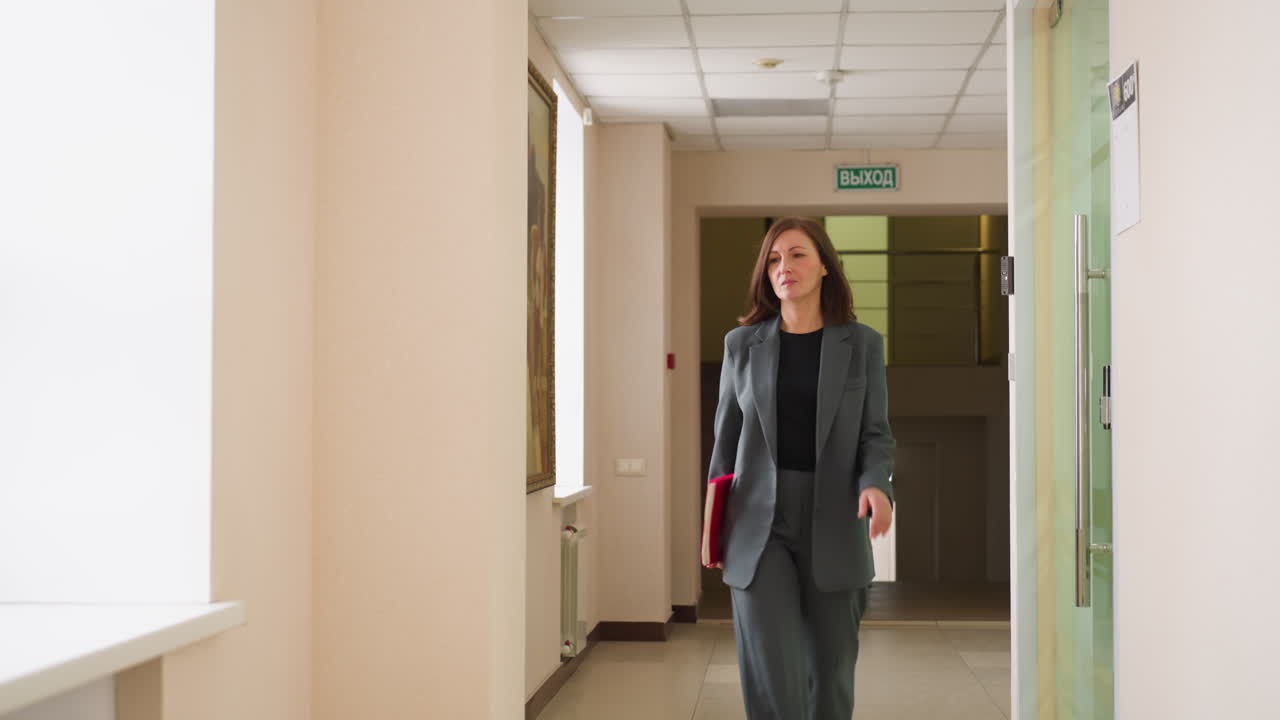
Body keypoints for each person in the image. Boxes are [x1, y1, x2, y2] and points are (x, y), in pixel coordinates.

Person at [707, 216, 895, 720]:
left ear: (825, 267)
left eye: (797, 255)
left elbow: (875, 433)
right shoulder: (741, 346)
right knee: (774, 673)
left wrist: (877, 486)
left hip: (834, 515)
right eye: (773, 259)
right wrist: (713, 531)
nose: (783, 267)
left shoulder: (861, 345)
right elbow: (724, 447)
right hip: (756, 524)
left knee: (829, 677)